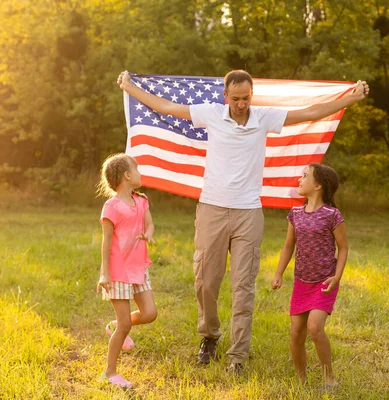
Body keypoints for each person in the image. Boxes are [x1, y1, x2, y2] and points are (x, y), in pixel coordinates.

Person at [117, 69, 368, 373]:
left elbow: (310, 112)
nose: (240, 104)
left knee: (243, 286)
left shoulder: (263, 118)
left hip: (248, 212)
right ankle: (209, 335)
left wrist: (351, 99)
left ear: (252, 94)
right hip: (212, 209)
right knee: (205, 283)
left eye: (246, 98)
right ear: (225, 96)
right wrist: (130, 88)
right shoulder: (210, 113)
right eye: (235, 98)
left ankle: (238, 355)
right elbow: (167, 107)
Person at [271, 163, 347, 388]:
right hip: (301, 282)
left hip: (324, 281)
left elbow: (343, 248)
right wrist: (278, 273)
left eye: (304, 176)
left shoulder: (332, 215)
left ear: (318, 185)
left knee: (315, 327)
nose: (299, 179)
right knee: (296, 333)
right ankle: (301, 380)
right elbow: (288, 246)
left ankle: (329, 377)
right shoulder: (295, 214)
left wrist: (337, 277)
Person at [96, 153, 157, 389]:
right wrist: (104, 273)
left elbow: (149, 223)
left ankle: (115, 325)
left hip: (139, 267)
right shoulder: (111, 207)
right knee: (126, 325)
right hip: (118, 271)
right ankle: (109, 373)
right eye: (137, 168)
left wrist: (149, 233)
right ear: (127, 175)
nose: (140, 172)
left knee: (150, 313)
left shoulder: (141, 201)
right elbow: (106, 243)